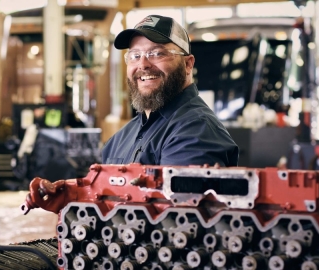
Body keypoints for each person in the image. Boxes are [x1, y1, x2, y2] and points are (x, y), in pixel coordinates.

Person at [102, 15, 239, 167]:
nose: (142, 65)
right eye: (135, 55)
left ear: (188, 64)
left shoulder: (195, 131)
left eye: (157, 53)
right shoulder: (120, 138)